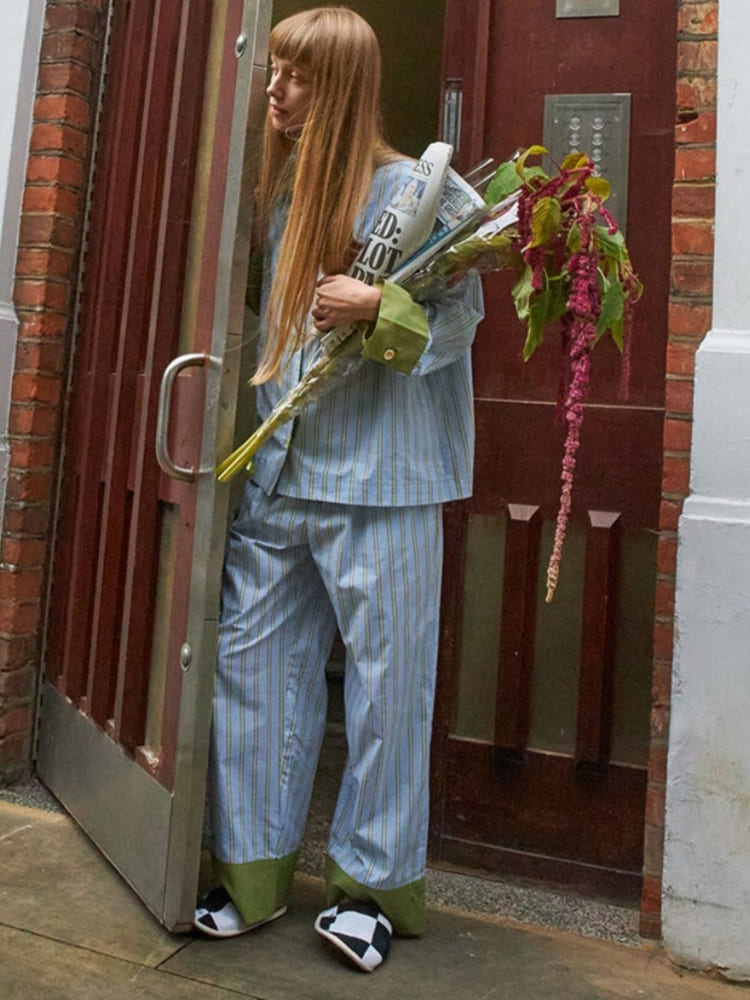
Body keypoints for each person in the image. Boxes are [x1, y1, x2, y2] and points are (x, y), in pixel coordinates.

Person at [193, 6, 484, 973]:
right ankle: (253, 872)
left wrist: (382, 302)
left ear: (345, 85)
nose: (274, 92)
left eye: (296, 76)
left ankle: (370, 890)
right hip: (281, 479)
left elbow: (457, 329)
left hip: (385, 485)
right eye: (274, 71)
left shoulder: (427, 193)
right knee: (250, 668)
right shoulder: (282, 199)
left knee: (388, 692)